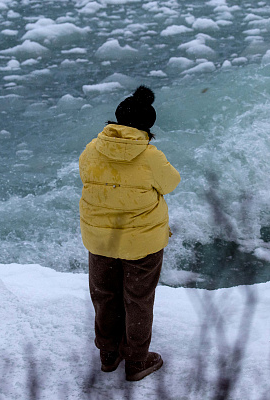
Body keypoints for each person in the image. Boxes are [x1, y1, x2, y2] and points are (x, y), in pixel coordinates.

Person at [79, 86, 180, 381]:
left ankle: (109, 355)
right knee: (137, 299)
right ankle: (136, 361)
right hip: (142, 242)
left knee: (105, 295)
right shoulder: (150, 155)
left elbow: (86, 177)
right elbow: (172, 183)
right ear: (147, 125)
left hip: (100, 239)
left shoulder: (91, 149)